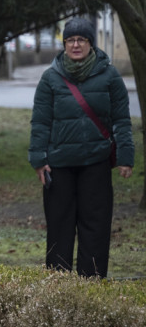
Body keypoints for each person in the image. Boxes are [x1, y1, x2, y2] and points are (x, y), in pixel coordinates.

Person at [29, 17, 134, 278]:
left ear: (90, 43)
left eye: (81, 39)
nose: (76, 44)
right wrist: (38, 159)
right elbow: (40, 121)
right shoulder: (50, 77)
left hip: (95, 164)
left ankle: (91, 288)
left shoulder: (109, 75)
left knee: (95, 228)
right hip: (59, 165)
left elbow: (122, 118)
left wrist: (126, 156)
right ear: (64, 44)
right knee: (59, 228)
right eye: (70, 40)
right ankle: (60, 290)